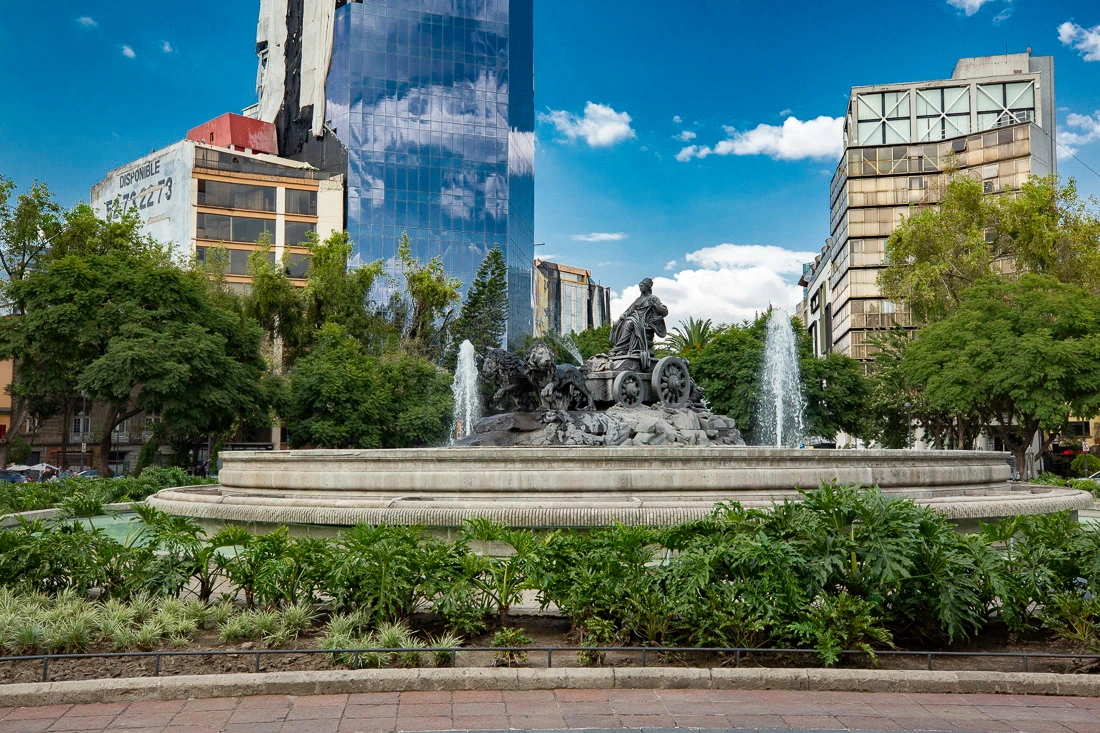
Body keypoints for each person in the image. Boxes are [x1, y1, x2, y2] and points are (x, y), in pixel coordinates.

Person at [610, 277, 668, 369]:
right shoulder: (638, 299)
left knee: (629, 323)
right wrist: (624, 315)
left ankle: (617, 348)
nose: (640, 287)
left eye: (642, 286)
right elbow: (630, 310)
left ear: (648, 287)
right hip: (635, 317)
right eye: (640, 286)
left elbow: (664, 312)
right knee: (617, 323)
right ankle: (623, 349)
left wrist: (654, 306)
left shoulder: (653, 298)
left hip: (645, 321)